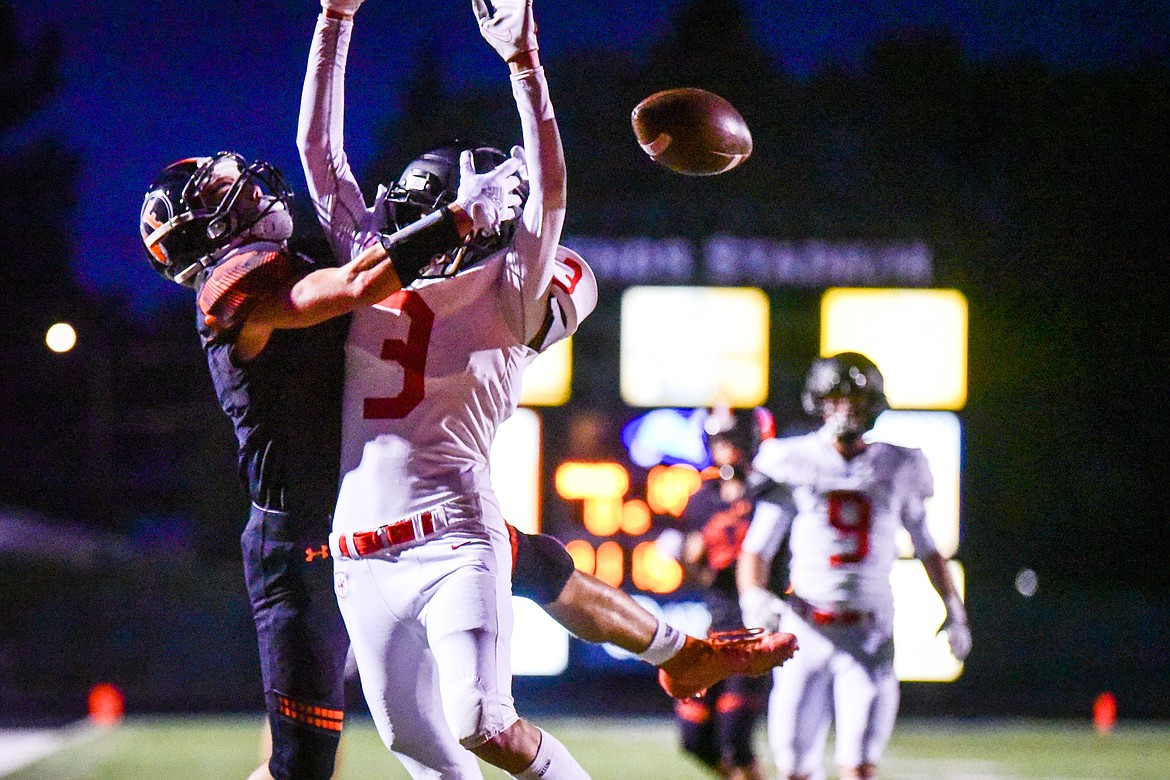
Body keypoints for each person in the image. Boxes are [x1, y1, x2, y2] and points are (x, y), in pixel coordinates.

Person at [298, 1, 796, 777]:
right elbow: (318, 151)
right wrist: (335, 14)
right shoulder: (376, 266)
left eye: (436, 210)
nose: (411, 219)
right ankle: (675, 652)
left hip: (452, 538)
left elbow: (552, 195)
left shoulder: (511, 295)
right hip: (357, 553)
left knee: (484, 722)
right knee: (415, 745)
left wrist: (526, 65)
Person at [140, 149, 525, 780]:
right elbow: (353, 286)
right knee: (303, 766)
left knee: (528, 560)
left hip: (380, 514)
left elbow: (329, 172)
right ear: (206, 229)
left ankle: (670, 648)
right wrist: (456, 218)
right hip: (298, 543)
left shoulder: (299, 255)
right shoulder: (234, 293)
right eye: (218, 187)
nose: (243, 183)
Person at [736, 352, 973, 780]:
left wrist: (954, 610)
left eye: (855, 399)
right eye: (835, 397)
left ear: (874, 405)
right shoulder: (792, 458)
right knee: (794, 768)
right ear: (818, 402)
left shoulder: (899, 464)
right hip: (804, 630)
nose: (845, 407)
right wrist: (753, 597)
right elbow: (757, 548)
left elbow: (927, 547)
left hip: (869, 634)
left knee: (859, 769)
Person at [665, 407, 779, 780]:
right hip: (719, 627)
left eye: (733, 441)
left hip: (758, 627)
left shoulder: (771, 493)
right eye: (719, 442)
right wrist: (689, 558)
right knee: (694, 736)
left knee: (736, 736)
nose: (726, 450)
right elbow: (700, 577)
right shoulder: (703, 499)